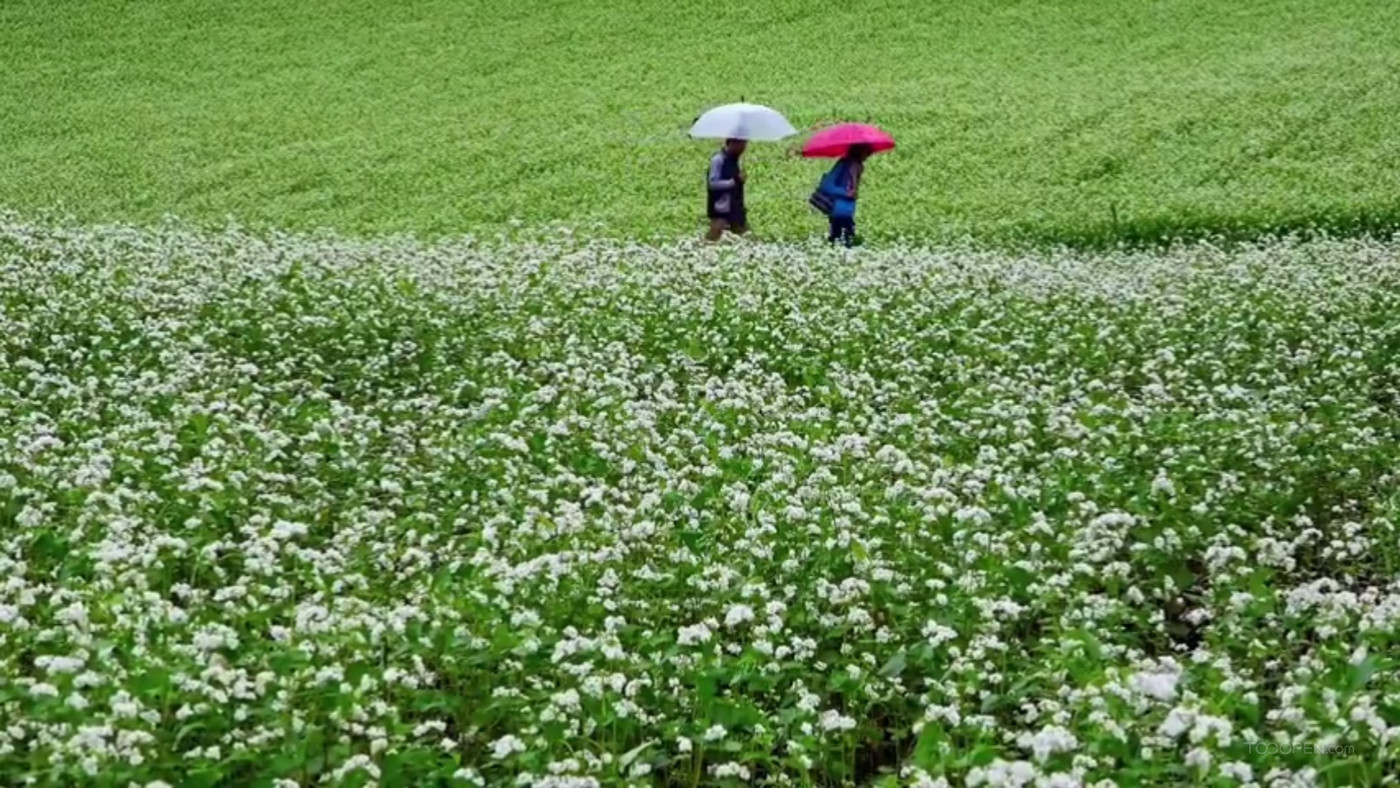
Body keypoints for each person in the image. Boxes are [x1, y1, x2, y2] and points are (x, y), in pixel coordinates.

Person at [825, 143, 871, 247]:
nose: (867, 156)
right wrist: (851, 192)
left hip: (837, 201)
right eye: (866, 153)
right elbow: (851, 185)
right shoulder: (853, 165)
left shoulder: (845, 162)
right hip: (843, 201)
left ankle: (836, 244)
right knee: (845, 227)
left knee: (838, 226)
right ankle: (845, 246)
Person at [706, 138, 748, 241]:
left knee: (742, 236)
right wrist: (734, 181)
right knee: (714, 238)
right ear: (731, 143)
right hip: (721, 209)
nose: (743, 148)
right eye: (740, 144)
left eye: (744, 144)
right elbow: (713, 184)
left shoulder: (734, 160)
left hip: (735, 208)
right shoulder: (718, 160)